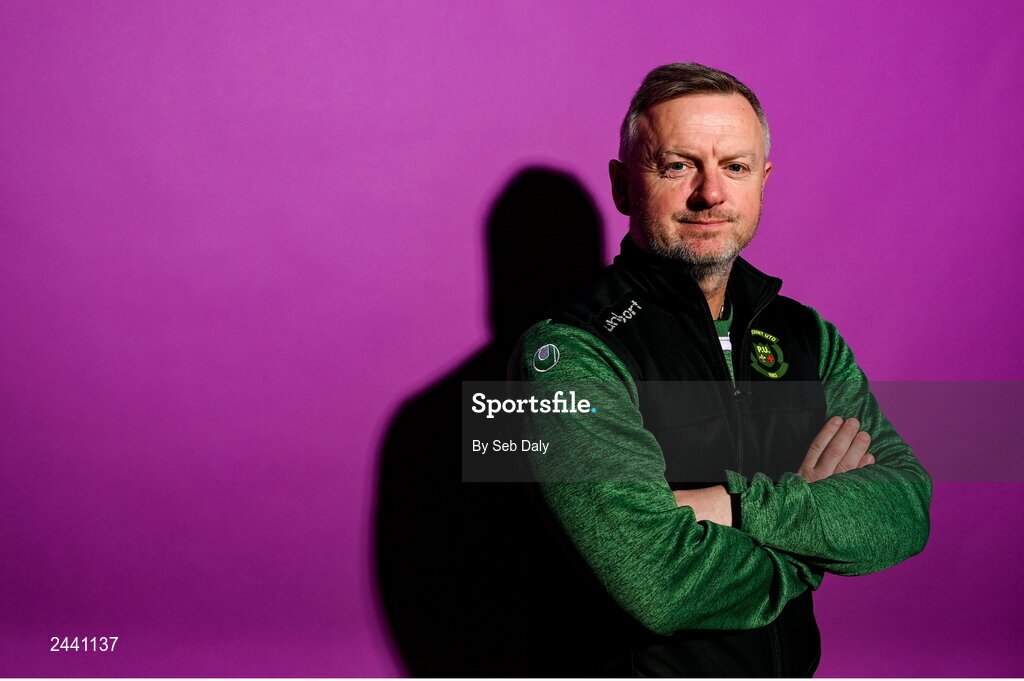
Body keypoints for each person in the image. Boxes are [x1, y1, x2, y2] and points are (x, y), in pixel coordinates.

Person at [507, 63, 932, 677]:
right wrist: (813, 541)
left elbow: (906, 506)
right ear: (623, 186)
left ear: (763, 181)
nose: (710, 193)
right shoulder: (567, 352)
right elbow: (659, 583)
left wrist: (732, 505)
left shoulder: (807, 335)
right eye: (678, 166)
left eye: (734, 167)